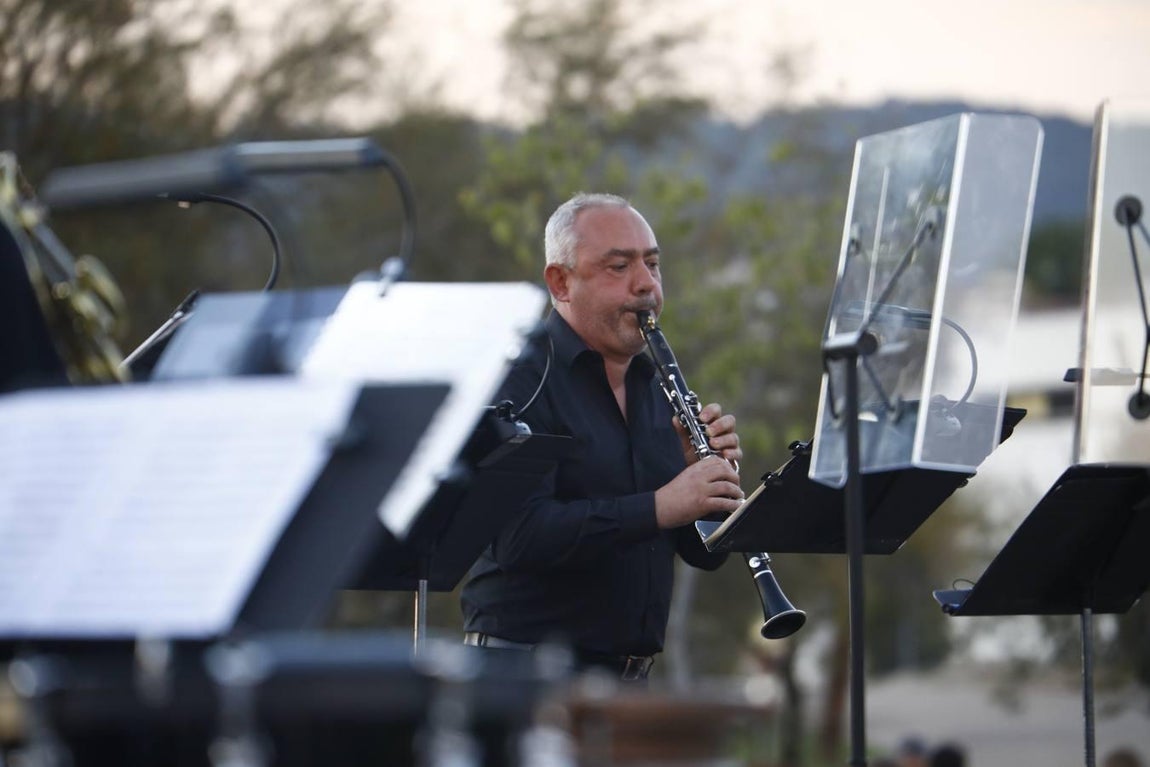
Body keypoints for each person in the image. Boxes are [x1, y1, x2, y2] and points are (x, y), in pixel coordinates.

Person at [460, 192, 745, 681]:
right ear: (561, 281)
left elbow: (700, 553)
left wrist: (710, 490)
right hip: (524, 676)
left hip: (628, 681)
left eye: (653, 265)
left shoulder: (657, 386)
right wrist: (663, 503)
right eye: (619, 267)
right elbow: (520, 537)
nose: (646, 286)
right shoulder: (517, 380)